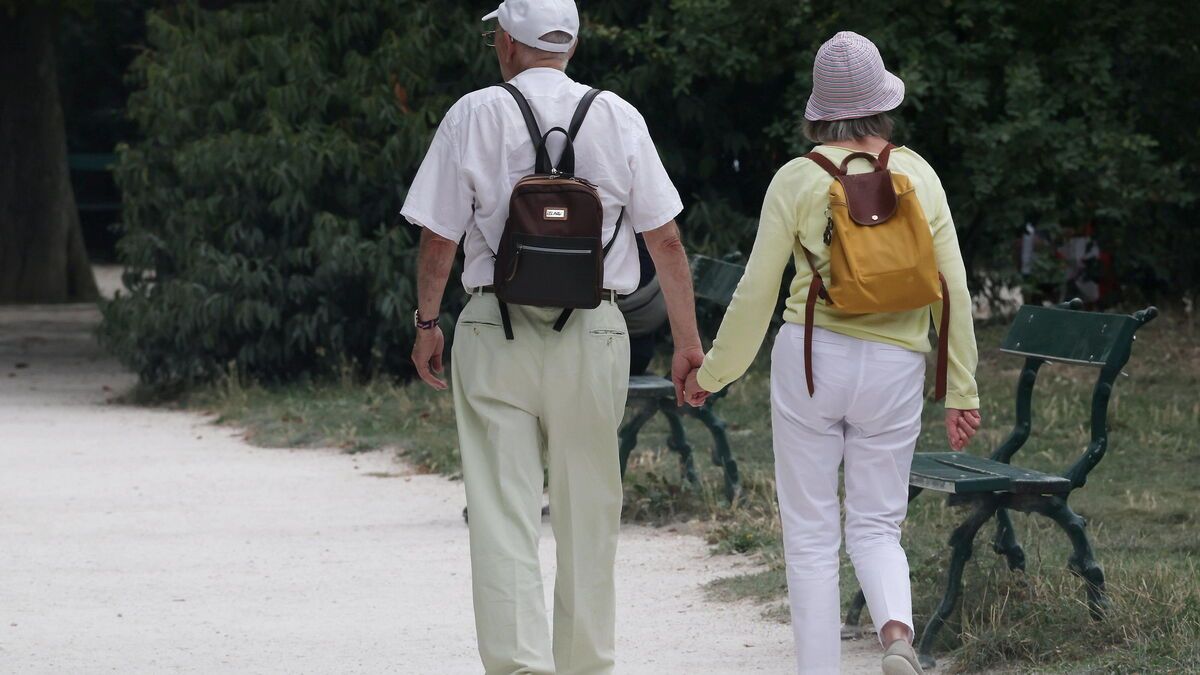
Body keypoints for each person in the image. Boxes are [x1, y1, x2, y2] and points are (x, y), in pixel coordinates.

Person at [402, 1, 704, 673]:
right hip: (594, 330)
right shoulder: (619, 116)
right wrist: (687, 342)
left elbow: (438, 240)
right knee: (588, 511)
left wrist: (428, 321)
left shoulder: (473, 115)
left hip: (493, 327)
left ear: (507, 42)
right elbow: (667, 240)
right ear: (570, 42)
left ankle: (519, 667)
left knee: (502, 510)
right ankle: (585, 665)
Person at [684, 31, 982, 675]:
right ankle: (897, 633)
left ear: (819, 110)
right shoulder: (918, 173)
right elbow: (952, 291)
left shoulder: (797, 178)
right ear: (883, 103)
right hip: (898, 368)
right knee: (877, 525)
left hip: (813, 360)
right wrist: (960, 389)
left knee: (812, 534)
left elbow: (756, 293)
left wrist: (715, 374)